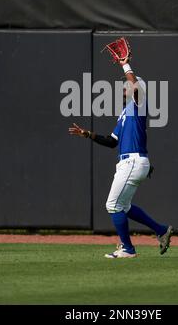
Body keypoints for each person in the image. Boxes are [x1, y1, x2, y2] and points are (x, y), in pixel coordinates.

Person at [69, 53, 172, 259]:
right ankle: (161, 230)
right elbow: (112, 141)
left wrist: (126, 65)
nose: (125, 86)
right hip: (131, 161)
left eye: (128, 84)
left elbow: (135, 86)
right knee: (122, 206)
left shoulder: (139, 104)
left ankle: (127, 248)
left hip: (133, 161)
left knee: (112, 205)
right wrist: (87, 134)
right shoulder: (125, 112)